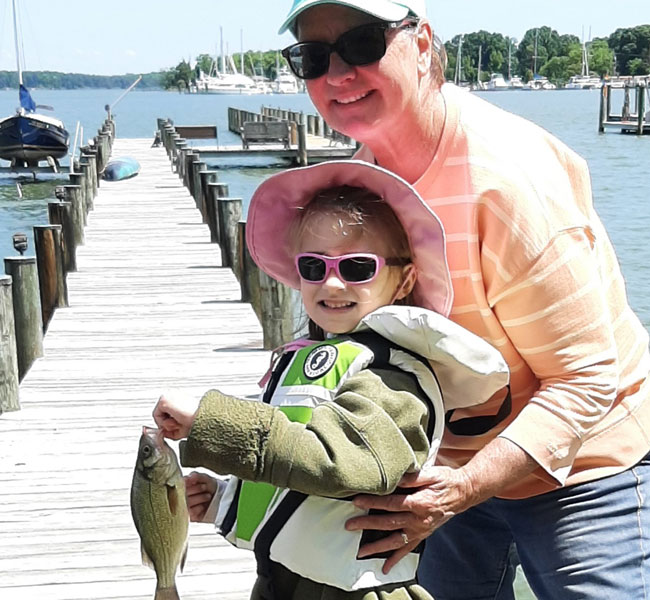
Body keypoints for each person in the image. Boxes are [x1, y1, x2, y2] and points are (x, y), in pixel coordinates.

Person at [277, 1, 650, 599]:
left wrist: (460, 490)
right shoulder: (364, 179)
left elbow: (588, 380)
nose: (337, 74)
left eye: (362, 44)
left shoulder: (507, 181)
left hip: (587, 462)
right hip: (446, 462)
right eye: (313, 56)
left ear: (421, 43)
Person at [152, 160, 510, 600]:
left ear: (405, 281)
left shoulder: (394, 377)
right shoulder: (314, 359)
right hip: (283, 581)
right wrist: (226, 499)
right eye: (314, 267)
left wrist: (211, 425)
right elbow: (300, 484)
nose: (333, 283)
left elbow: (336, 461)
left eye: (358, 268)